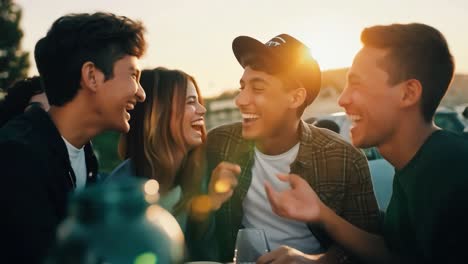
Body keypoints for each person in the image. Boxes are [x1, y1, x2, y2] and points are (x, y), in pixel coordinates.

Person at [263, 23, 468, 264]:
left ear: (408, 93)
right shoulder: (419, 165)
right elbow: (396, 255)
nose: (342, 99)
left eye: (356, 83)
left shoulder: (451, 171)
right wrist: (321, 220)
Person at [196, 34, 380, 263]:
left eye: (258, 88)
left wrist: (315, 261)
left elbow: (369, 245)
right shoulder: (219, 144)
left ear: (295, 97)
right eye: (242, 87)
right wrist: (209, 200)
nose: (240, 100)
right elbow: (192, 228)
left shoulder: (344, 157)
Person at [0, 12, 147, 263]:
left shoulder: (84, 156)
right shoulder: (16, 159)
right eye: (133, 75)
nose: (141, 94)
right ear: (91, 76)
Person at [109, 67, 207, 232]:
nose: (202, 110)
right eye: (191, 102)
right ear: (159, 113)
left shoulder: (206, 175)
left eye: (198, 101)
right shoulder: (120, 195)